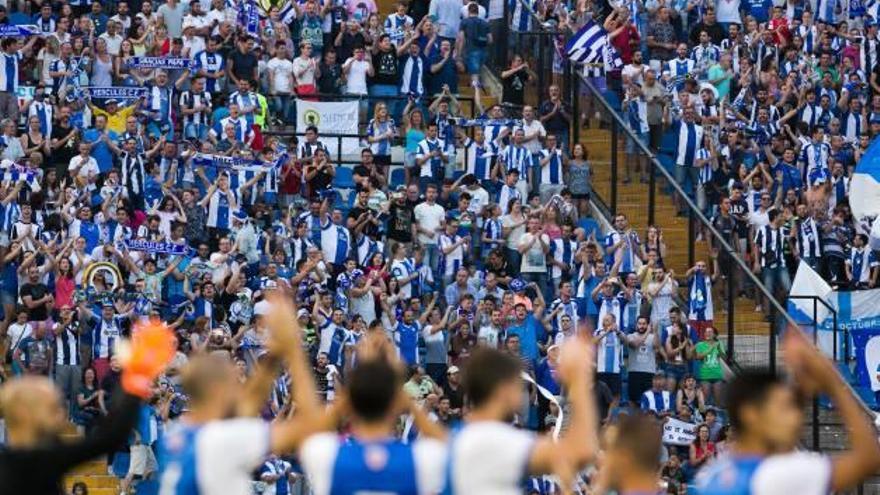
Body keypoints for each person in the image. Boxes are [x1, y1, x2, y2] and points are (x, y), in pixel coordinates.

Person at [0, 321, 175, 494]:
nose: (60, 414)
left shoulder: (29, 455)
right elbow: (111, 437)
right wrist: (136, 375)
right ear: (26, 414)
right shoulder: (40, 458)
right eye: (52, 408)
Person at [697, 328, 880, 494]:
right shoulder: (780, 474)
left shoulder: (711, 474)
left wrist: (801, 390)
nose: (795, 419)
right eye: (784, 409)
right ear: (751, 414)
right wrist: (831, 382)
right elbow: (868, 459)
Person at [446, 335, 598, 493]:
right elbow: (580, 453)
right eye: (516, 385)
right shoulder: (499, 440)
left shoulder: (455, 437)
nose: (519, 392)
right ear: (502, 389)